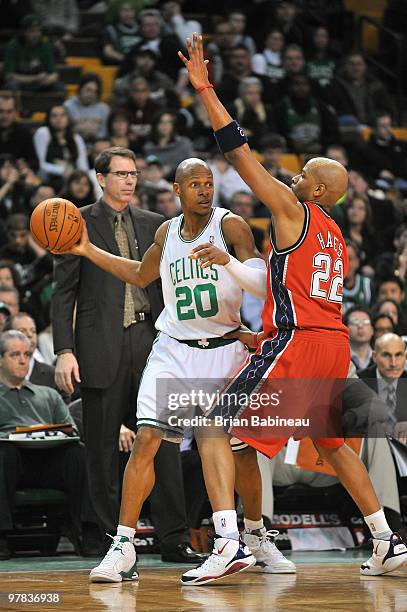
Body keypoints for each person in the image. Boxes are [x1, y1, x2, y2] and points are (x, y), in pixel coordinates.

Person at [178, 32, 407, 577]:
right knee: (333, 445)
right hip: (332, 349)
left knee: (216, 428)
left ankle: (231, 541)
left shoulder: (293, 211)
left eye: (304, 175)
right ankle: (386, 539)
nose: (294, 177)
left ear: (321, 192)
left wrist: (206, 89)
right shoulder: (335, 236)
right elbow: (288, 287)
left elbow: (239, 153)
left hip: (299, 345)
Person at [58, 156, 295, 583]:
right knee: (147, 437)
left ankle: (255, 535)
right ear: (177, 190)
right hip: (173, 349)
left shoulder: (231, 226)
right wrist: (86, 249)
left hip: (223, 350)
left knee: (240, 454)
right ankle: (123, 545)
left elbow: (264, 284)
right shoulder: (166, 232)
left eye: (209, 183)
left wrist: (227, 262)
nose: (205, 190)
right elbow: (138, 273)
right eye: (196, 184)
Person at [52, 146, 201, 564]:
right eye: (120, 174)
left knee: (166, 443)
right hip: (102, 344)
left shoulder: (157, 224)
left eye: (133, 173)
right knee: (101, 449)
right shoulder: (75, 222)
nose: (129, 181)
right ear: (101, 178)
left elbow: (171, 287)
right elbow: (64, 294)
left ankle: (173, 538)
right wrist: (64, 349)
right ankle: (111, 541)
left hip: (154, 343)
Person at [0, 330, 99, 560]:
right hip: (10, 462)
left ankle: (88, 532)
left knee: (78, 453)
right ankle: (2, 536)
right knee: (3, 453)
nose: (23, 360)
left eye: (27, 353)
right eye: (15, 354)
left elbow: (71, 431)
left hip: (48, 461)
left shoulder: (48, 395)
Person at [358, 334, 407, 436]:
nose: (393, 363)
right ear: (375, 357)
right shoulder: (358, 381)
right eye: (386, 355)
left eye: (398, 355)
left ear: (405, 356)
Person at [33, 105, 89, 190]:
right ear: (49, 118)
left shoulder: (76, 138)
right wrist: (61, 171)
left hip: (72, 178)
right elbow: (40, 164)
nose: (59, 119)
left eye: (63, 115)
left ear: (68, 118)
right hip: (49, 178)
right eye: (54, 116)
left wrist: (79, 178)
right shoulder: (43, 133)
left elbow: (83, 166)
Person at [3, 14, 63, 93]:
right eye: (32, 31)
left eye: (39, 30)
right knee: (12, 85)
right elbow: (8, 76)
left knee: (59, 87)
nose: (36, 34)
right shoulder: (13, 46)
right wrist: (35, 78)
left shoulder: (45, 45)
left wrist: (50, 79)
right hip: (21, 83)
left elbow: (54, 74)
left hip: (39, 84)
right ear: (23, 32)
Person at [63, 73, 110, 143]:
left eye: (95, 92)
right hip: (73, 144)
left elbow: (105, 134)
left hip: (98, 145)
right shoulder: (68, 106)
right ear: (80, 89)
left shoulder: (104, 109)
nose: (91, 95)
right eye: (88, 90)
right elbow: (64, 132)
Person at [0, 95, 38, 170]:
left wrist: (25, 165)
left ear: (15, 112)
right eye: (1, 111)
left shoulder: (24, 133)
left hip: (18, 174)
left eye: (9, 111)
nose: (5, 116)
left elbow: (34, 162)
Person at [344, 306, 374, 371]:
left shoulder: (379, 357)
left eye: (365, 322)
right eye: (355, 322)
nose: (360, 326)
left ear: (372, 329)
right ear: (345, 328)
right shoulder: (340, 358)